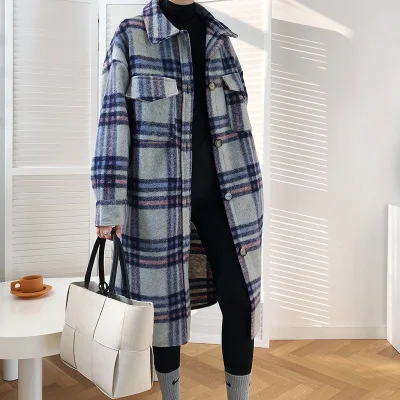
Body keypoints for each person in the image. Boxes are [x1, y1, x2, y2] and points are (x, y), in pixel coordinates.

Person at [92, 0, 264, 399]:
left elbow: (238, 126)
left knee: (242, 301)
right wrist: (109, 202)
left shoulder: (220, 40)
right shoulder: (131, 36)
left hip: (229, 196)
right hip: (158, 200)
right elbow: (113, 122)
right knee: (162, 308)